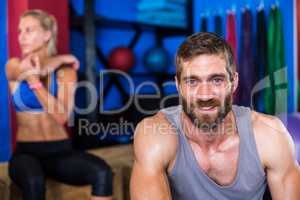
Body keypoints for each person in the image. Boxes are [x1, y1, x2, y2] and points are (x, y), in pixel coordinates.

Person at [130, 32, 300, 200]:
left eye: (216, 80)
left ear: (233, 82)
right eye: (192, 81)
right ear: (178, 85)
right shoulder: (155, 136)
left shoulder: (269, 134)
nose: (205, 95)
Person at [6, 9, 113, 200]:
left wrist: (35, 82)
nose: (21, 37)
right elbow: (23, 70)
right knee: (33, 181)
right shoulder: (13, 64)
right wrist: (62, 58)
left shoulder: (65, 72)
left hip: (59, 151)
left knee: (102, 172)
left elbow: (61, 116)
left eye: (29, 30)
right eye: (19, 31)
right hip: (26, 153)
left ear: (47, 35)